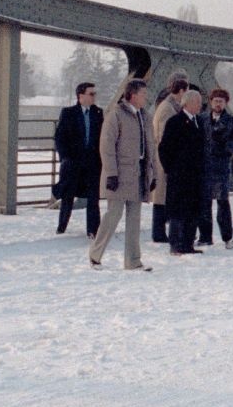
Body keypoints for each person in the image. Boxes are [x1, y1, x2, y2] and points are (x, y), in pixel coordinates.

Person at [89, 79, 154, 272]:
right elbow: (107, 146)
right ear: (132, 95)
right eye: (143, 94)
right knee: (113, 216)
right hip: (120, 174)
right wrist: (111, 173)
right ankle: (95, 255)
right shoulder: (116, 115)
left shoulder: (145, 116)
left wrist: (152, 174)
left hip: (138, 174)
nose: (145, 97)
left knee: (134, 219)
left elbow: (150, 146)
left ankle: (133, 261)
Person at [159, 89, 207, 255]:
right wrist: (171, 169)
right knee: (178, 211)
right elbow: (164, 148)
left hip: (196, 175)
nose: (200, 105)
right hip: (179, 175)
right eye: (197, 102)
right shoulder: (175, 122)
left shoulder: (199, 122)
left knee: (193, 209)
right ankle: (175, 244)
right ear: (187, 103)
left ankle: (188, 244)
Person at [53, 82, 103, 238]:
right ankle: (62, 227)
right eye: (91, 94)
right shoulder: (69, 113)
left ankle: (93, 230)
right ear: (80, 96)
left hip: (93, 162)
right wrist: (65, 158)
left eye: (95, 94)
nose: (94, 97)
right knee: (68, 195)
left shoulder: (98, 113)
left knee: (93, 197)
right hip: (73, 162)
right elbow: (60, 137)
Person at [197, 88, 233, 249]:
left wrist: (225, 147)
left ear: (225, 103)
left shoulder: (232, 122)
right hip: (204, 166)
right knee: (204, 203)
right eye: (216, 101)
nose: (218, 104)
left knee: (222, 202)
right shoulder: (202, 119)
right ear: (211, 102)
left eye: (221, 101)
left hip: (221, 167)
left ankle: (227, 237)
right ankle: (205, 236)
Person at [149, 72, 190, 243]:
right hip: (164, 159)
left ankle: (160, 232)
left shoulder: (169, 105)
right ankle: (158, 233)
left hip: (166, 157)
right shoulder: (167, 108)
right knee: (161, 196)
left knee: (163, 195)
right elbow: (165, 136)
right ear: (181, 91)